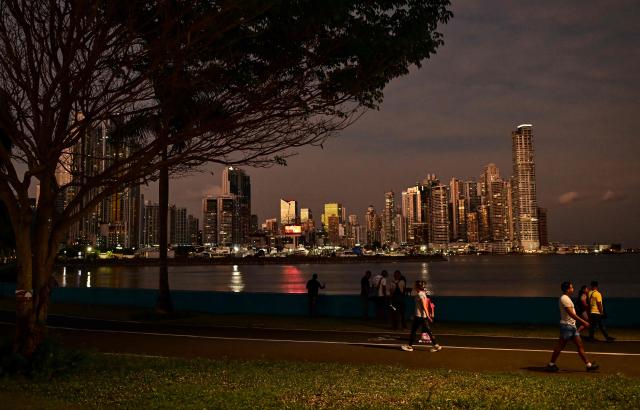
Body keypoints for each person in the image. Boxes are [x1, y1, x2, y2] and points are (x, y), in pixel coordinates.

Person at [545, 281, 598, 372]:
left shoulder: (567, 298)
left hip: (572, 327)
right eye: (571, 287)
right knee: (560, 346)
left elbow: (572, 314)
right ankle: (551, 365)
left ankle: (588, 365)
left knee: (579, 345)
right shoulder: (564, 298)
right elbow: (571, 313)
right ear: (567, 289)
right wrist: (583, 322)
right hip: (566, 327)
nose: (573, 289)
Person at [401, 280, 441, 352]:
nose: (414, 286)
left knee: (414, 331)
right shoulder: (422, 293)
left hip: (420, 317)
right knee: (428, 331)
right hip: (421, 316)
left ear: (418, 286)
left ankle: (410, 346)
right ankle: (436, 346)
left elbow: (424, 306)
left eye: (415, 285)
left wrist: (428, 316)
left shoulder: (420, 295)